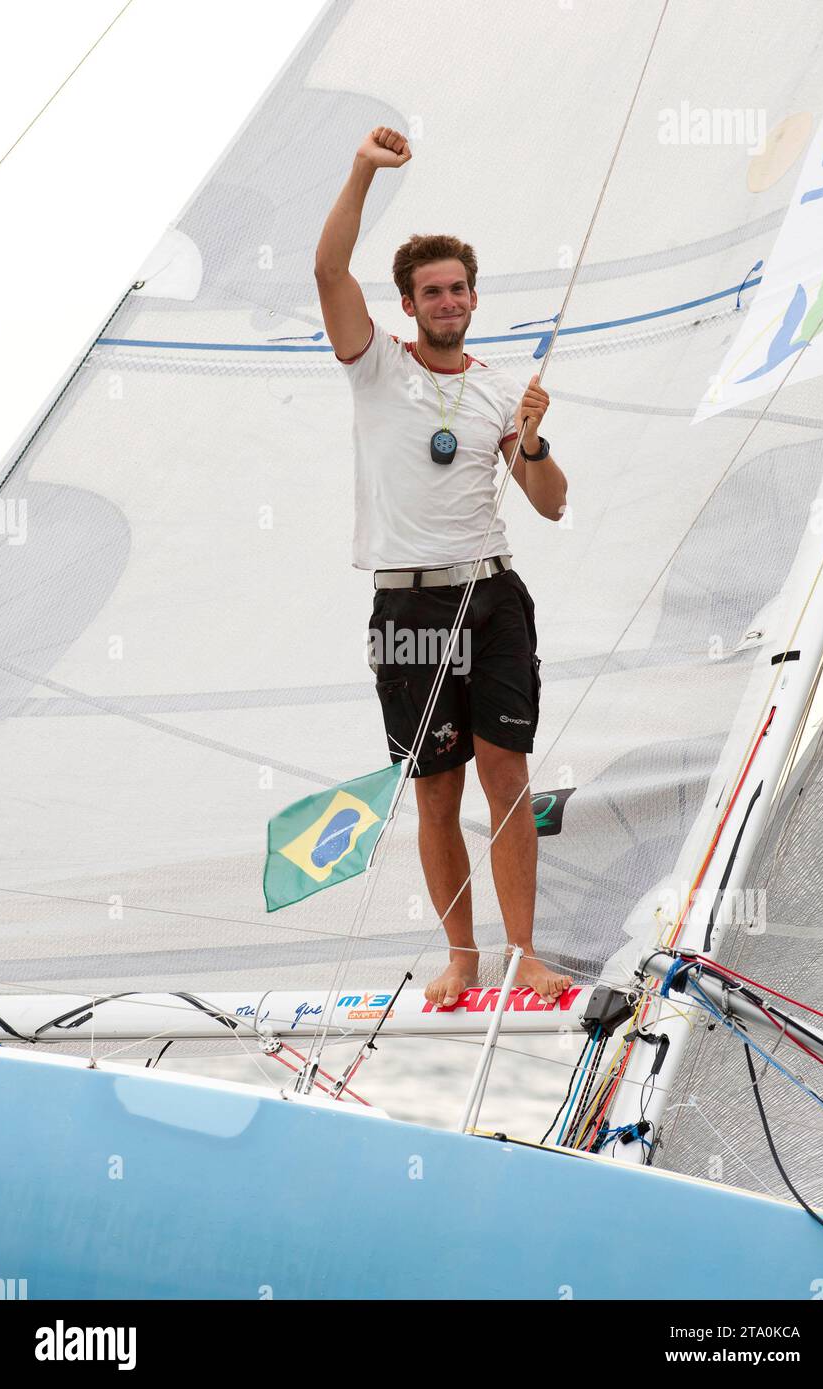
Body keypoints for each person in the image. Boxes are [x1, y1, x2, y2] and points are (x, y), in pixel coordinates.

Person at [314, 125, 571, 1006]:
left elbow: (551, 502)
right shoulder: (375, 366)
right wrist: (360, 171)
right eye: (433, 291)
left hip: (493, 597)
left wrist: (530, 443)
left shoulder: (501, 387)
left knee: (508, 778)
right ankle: (461, 956)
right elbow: (326, 273)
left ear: (472, 295)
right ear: (409, 303)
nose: (449, 300)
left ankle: (524, 952)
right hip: (410, 611)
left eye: (459, 287)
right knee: (433, 791)